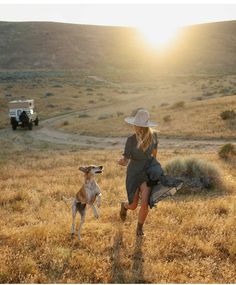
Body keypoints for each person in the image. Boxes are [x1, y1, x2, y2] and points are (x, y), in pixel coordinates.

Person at [118, 108, 182, 236]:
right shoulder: (131, 139)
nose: (136, 127)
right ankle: (124, 206)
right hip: (134, 172)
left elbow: (154, 155)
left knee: (145, 203)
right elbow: (126, 160)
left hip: (147, 171)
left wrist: (153, 170)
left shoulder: (154, 137)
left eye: (137, 125)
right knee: (133, 205)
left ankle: (139, 228)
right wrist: (122, 161)